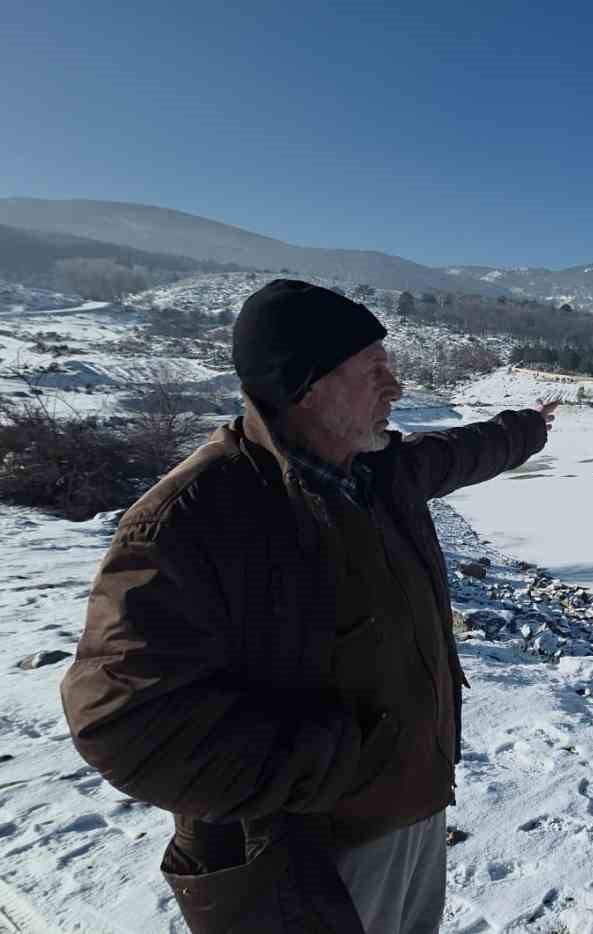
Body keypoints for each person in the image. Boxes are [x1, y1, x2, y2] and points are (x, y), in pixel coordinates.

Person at [60, 279, 557, 934]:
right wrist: (328, 766)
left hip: (414, 804)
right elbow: (119, 723)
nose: (396, 387)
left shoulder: (378, 471)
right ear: (306, 386)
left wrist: (527, 428)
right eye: (373, 370)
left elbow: (465, 452)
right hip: (310, 851)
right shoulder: (197, 516)